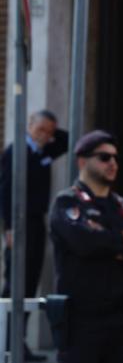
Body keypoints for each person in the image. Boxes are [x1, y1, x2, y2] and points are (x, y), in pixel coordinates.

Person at [49, 130, 123, 363]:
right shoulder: (67, 201)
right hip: (79, 321)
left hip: (118, 318)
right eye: (104, 157)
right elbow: (84, 243)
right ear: (82, 161)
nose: (112, 163)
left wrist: (107, 242)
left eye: (115, 158)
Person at [0, 109, 68, 362]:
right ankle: (6, 341)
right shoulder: (16, 151)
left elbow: (67, 140)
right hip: (19, 224)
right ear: (29, 126)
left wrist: (51, 132)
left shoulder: (44, 151)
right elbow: (4, 191)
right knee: (15, 283)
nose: (44, 136)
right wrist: (9, 227)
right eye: (40, 130)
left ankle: (17, 341)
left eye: (49, 132)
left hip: (37, 223)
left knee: (30, 283)